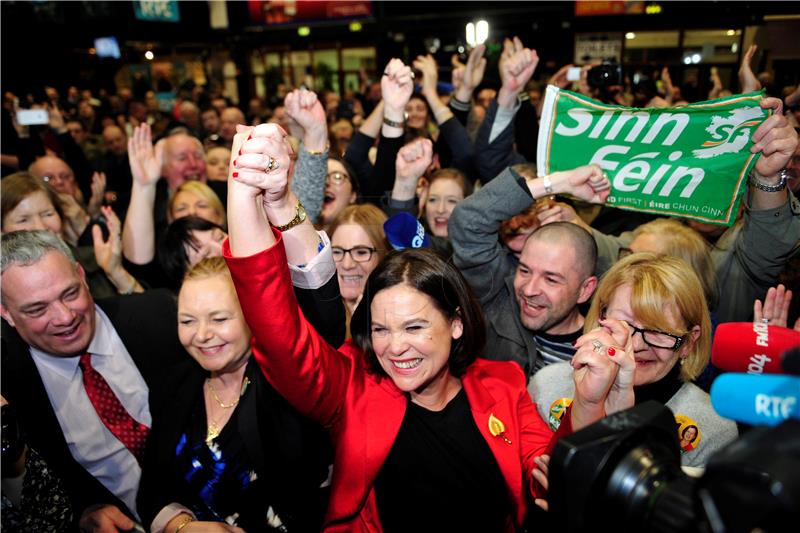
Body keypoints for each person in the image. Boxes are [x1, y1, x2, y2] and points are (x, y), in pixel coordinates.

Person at [222, 121, 622, 531]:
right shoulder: (354, 388)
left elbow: (550, 482)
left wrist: (589, 403)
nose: (395, 347)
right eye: (381, 330)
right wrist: (242, 193)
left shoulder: (505, 386)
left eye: (413, 328)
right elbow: (279, 337)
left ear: (456, 324)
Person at [138, 256, 343, 532]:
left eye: (219, 319)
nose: (201, 335)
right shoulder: (173, 384)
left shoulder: (287, 385)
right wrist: (181, 525)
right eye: (187, 321)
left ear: (252, 314)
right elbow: (152, 488)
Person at [0, 230, 185, 531]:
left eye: (70, 293)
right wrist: (83, 509)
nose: (64, 317)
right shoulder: (7, 385)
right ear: (6, 312)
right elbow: (33, 492)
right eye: (37, 308)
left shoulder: (159, 316)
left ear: (81, 274)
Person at [529, 253, 738, 467]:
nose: (636, 346)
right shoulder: (547, 386)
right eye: (623, 324)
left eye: (659, 331)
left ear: (688, 343)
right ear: (601, 317)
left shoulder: (712, 427)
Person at [450, 163, 606, 378]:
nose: (529, 289)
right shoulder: (500, 297)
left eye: (551, 279)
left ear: (585, 290)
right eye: (524, 271)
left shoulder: (604, 348)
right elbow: (468, 221)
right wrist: (560, 182)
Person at [2, 172, 143, 298]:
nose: (40, 227)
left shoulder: (96, 260)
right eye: (23, 220)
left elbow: (150, 318)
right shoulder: (5, 288)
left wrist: (116, 272)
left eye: (47, 214)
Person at [328, 204, 390, 332]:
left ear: (384, 256)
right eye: (337, 252)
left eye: (361, 252)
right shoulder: (317, 317)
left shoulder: (402, 316)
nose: (347, 264)